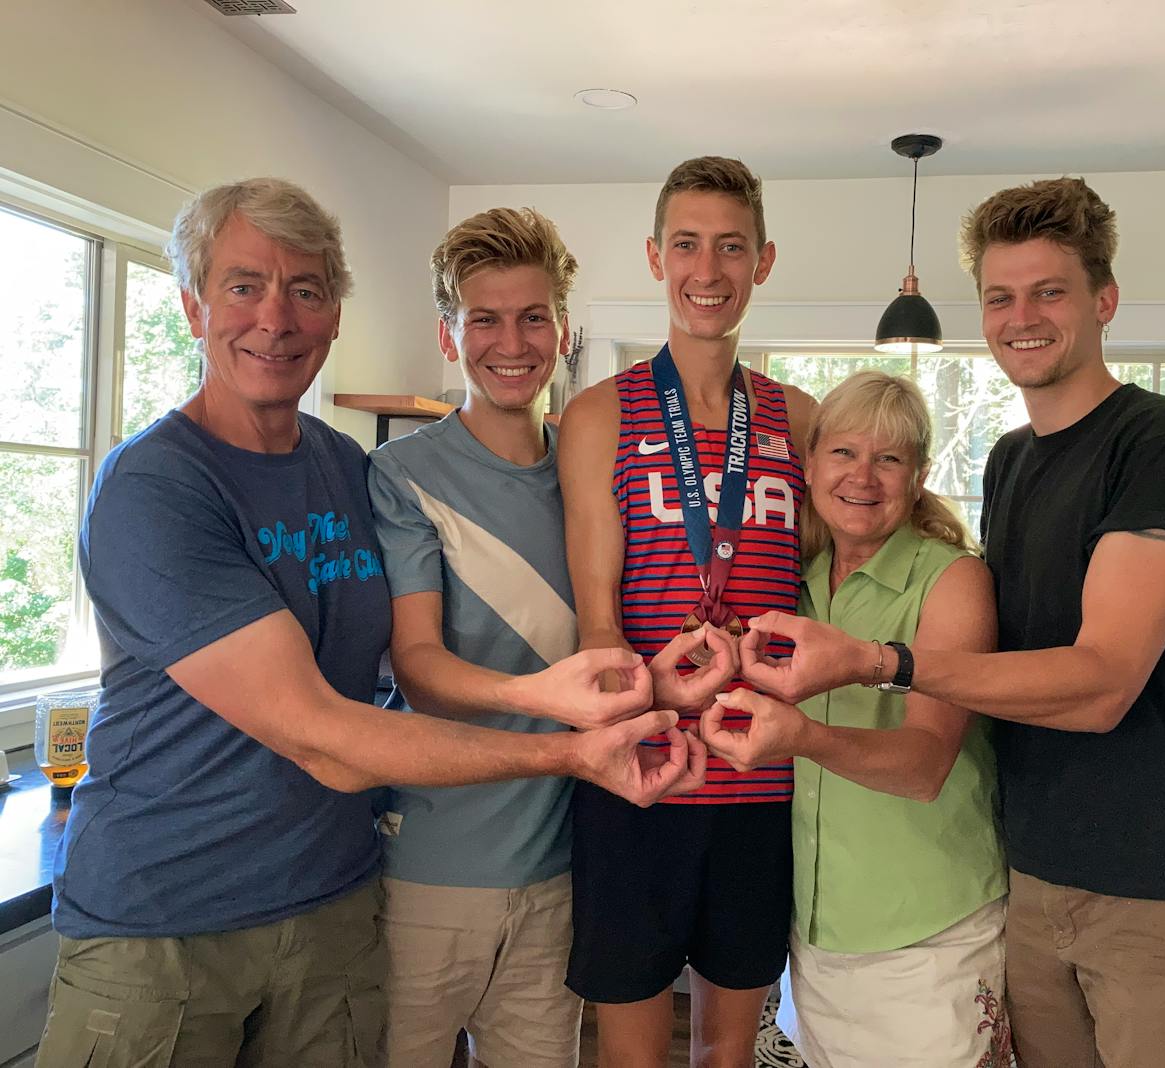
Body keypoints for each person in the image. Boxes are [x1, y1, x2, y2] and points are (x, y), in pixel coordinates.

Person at [37, 178, 702, 1068]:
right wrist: (566, 744)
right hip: (165, 921)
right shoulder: (157, 488)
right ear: (193, 307)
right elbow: (328, 730)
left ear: (335, 315)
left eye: (305, 291)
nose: (275, 319)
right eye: (243, 286)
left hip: (333, 901)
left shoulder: (346, 468)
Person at [729, 176, 1165, 1067]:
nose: (1022, 316)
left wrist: (880, 662)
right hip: (1033, 877)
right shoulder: (1016, 460)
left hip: (1160, 884)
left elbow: (1100, 685)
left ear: (1104, 300)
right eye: (1000, 296)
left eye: (1049, 291)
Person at [557, 155, 816, 1068]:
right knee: (633, 1052)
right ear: (656, 257)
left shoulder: (801, 420)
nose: (709, 271)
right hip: (643, 774)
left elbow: (835, 589)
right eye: (688, 245)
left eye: (732, 247)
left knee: (725, 1054)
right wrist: (649, 722)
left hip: (763, 779)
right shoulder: (599, 416)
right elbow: (597, 626)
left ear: (765, 261)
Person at [702, 371, 1010, 1067]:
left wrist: (802, 738)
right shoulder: (797, 585)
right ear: (808, 465)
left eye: (889, 458)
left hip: (930, 938)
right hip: (817, 937)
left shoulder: (953, 581)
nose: (862, 477)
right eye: (843, 453)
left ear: (920, 474)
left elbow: (926, 765)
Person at [365, 206, 596, 1068]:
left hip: (558, 874)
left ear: (562, 331)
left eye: (533, 316)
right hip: (427, 869)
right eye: (484, 319)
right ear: (448, 333)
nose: (512, 341)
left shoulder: (593, 468)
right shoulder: (401, 474)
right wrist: (542, 697)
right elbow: (419, 666)